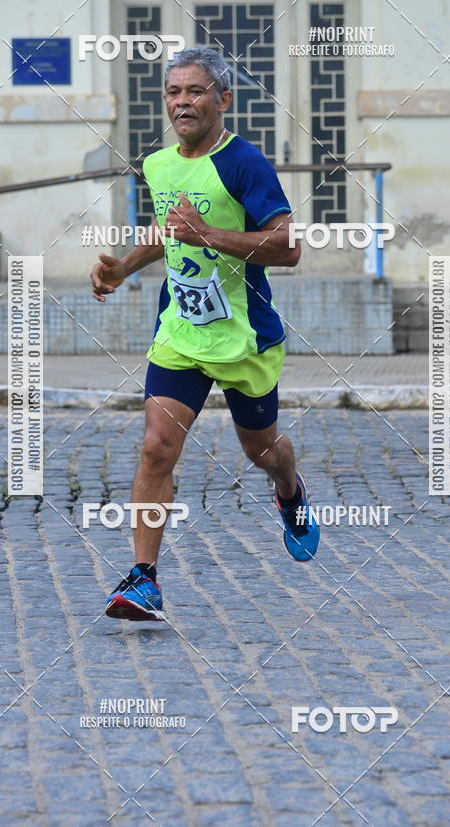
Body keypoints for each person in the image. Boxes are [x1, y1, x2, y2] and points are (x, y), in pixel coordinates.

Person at [90, 46, 319, 621]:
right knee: (155, 446)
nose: (181, 102)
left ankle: (290, 490)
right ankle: (144, 580)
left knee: (261, 451)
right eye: (173, 92)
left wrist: (210, 234)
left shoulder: (245, 163)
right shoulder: (161, 163)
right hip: (182, 331)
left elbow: (289, 247)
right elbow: (168, 231)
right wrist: (123, 267)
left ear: (223, 99)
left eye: (194, 91)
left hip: (244, 337)